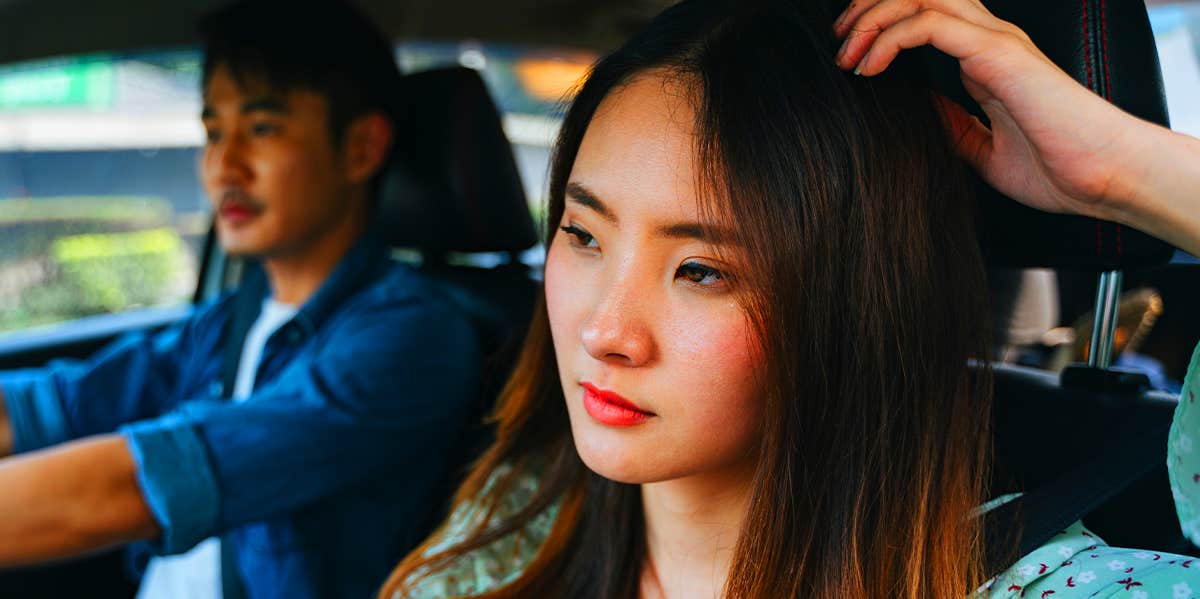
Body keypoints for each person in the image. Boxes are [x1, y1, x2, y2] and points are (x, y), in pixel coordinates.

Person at [378, 0, 1200, 597]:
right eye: (584, 235)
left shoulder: (1054, 588)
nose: (604, 329)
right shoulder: (522, 515)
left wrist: (1130, 177)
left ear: (853, 303)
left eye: (701, 269)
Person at [0, 2, 482, 598]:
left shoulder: (411, 339)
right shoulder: (234, 319)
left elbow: (135, 485)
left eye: (262, 129)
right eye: (213, 132)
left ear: (361, 148)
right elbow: (60, 401)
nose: (223, 166)